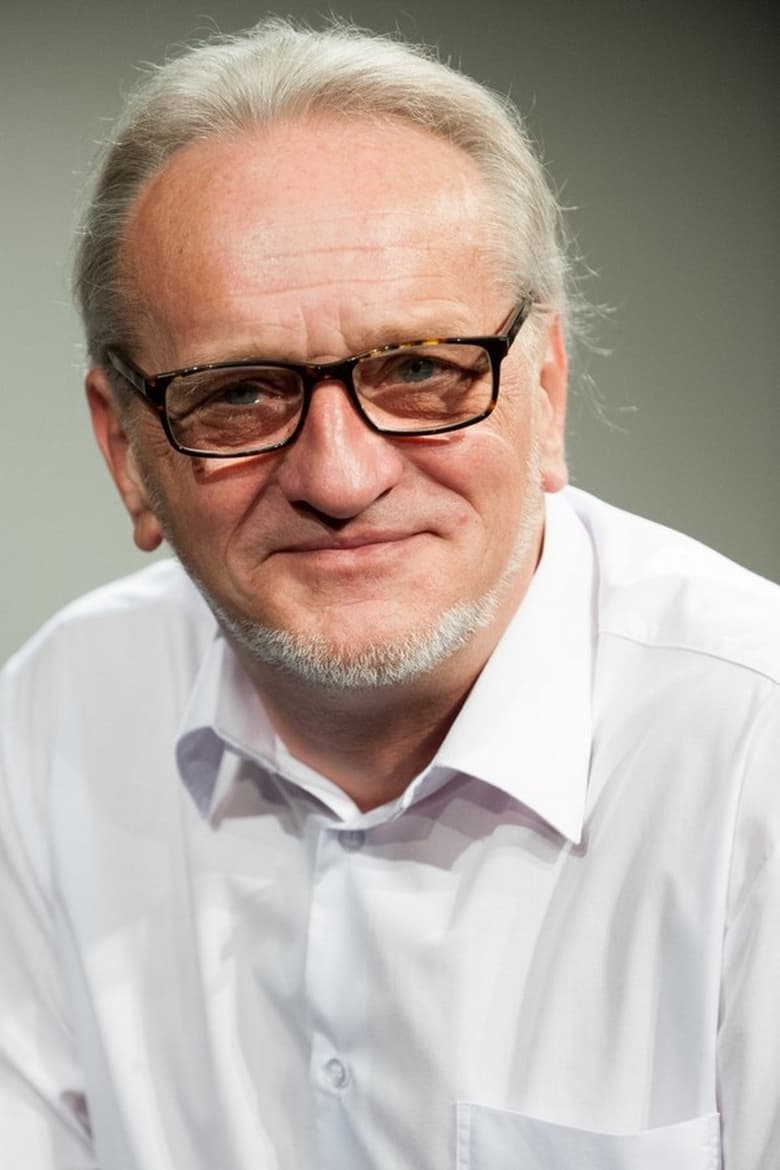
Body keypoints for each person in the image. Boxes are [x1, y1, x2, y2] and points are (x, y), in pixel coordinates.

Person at [1, 17, 777, 1170]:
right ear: (126, 451)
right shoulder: (52, 722)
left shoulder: (757, 756)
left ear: (547, 394)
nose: (340, 477)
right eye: (239, 392)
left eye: (419, 369)